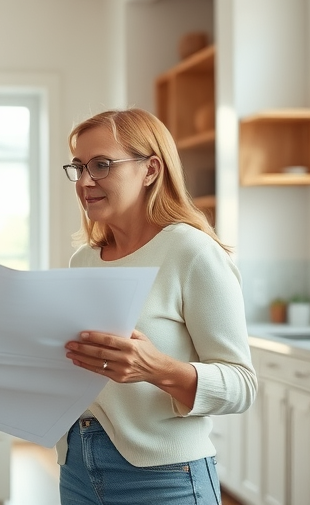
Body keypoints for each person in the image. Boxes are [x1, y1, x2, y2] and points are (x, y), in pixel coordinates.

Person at [58, 108, 256, 505]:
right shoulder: (83, 260)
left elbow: (241, 387)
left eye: (101, 165)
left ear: (150, 170)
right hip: (77, 466)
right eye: (78, 167)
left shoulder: (192, 252)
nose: (85, 181)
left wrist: (157, 368)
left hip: (164, 477)